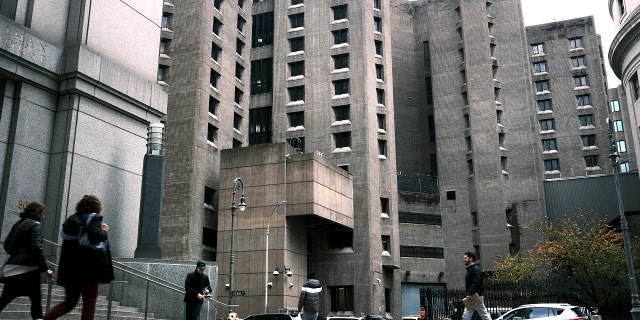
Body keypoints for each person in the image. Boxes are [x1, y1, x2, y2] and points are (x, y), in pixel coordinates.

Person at [44, 194, 114, 320]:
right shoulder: (93, 218)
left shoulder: (72, 220)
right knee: (90, 302)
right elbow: (95, 235)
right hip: (88, 269)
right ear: (96, 206)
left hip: (69, 270)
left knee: (69, 302)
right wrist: (103, 230)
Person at [0, 201, 54, 319]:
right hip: (28, 271)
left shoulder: (19, 224)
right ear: (37, 213)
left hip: (12, 269)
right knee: (36, 301)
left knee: (4, 299)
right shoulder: (35, 225)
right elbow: (37, 248)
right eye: (43, 213)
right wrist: (46, 269)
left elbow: (7, 244)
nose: (43, 216)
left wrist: (17, 254)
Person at [462, 251, 492, 320]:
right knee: (466, 316)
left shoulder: (475, 269)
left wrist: (469, 293)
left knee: (484, 315)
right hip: (472, 296)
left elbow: (476, 283)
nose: (464, 260)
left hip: (476, 296)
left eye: (465, 258)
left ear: (471, 258)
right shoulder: (471, 269)